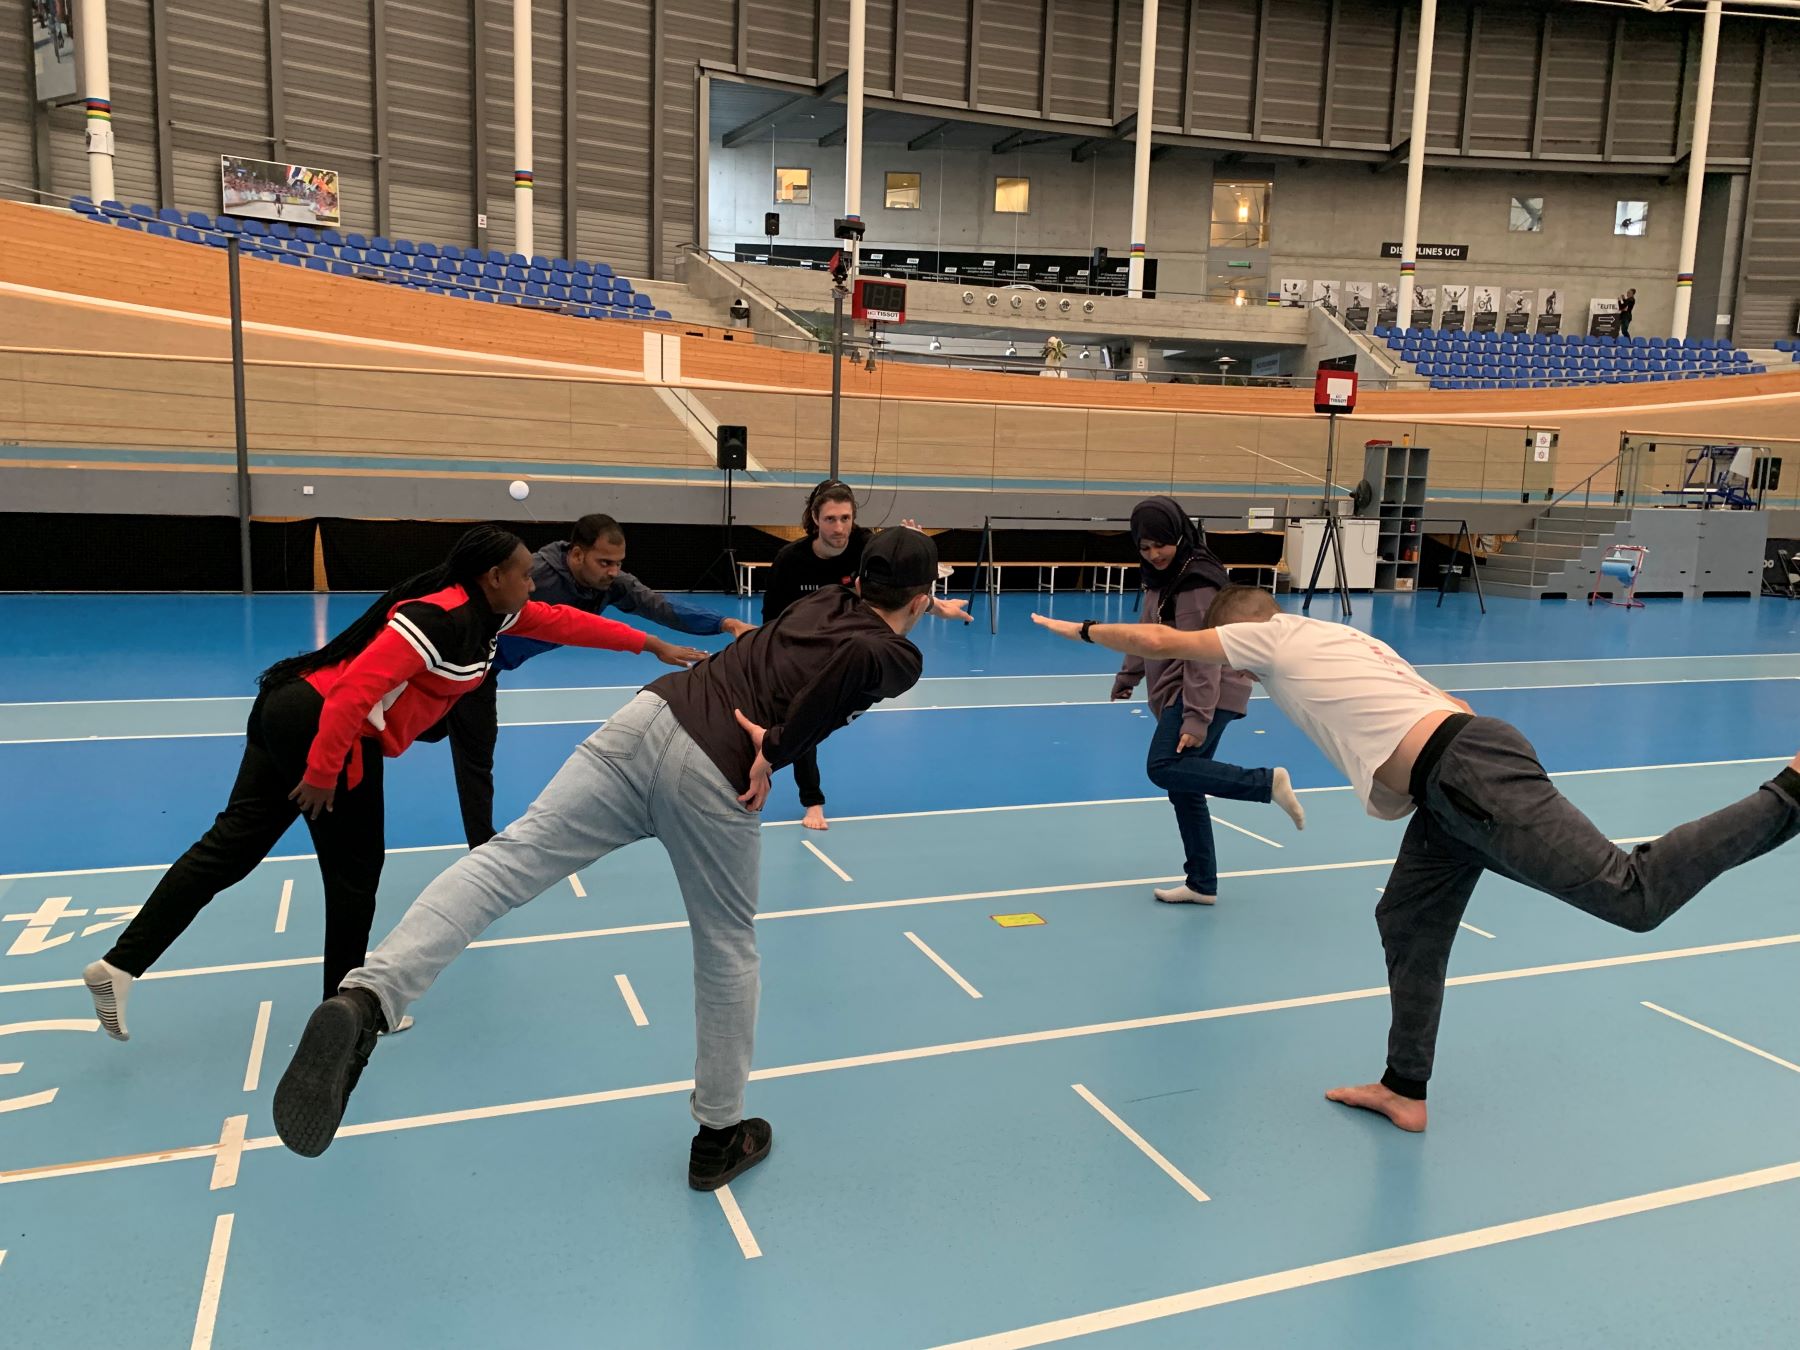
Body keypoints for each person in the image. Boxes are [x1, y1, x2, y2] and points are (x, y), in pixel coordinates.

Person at [271, 528, 954, 1190]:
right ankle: (718, 1135)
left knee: (506, 861)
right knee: (727, 950)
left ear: (858, 579)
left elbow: (828, 651)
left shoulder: (821, 601)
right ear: (921, 599)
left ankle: (367, 997)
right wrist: (773, 749)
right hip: (715, 769)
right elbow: (841, 683)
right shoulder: (894, 656)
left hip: (645, 720)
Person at [1035, 586, 1800, 1133]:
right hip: (1452, 785)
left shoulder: (1267, 637)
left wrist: (1081, 632)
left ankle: (1790, 791)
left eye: (1229, 656)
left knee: (1633, 896)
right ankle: (1405, 1088)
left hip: (1467, 780)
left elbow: (1168, 642)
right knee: (1406, 917)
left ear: (1241, 638)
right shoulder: (1344, 638)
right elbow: (1448, 704)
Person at [81, 526, 701, 1042]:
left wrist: (652, 646)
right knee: (355, 871)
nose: (531, 582)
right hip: (323, 726)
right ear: (492, 577)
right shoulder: (437, 617)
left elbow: (568, 624)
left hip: (294, 712)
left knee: (233, 848)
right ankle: (345, 1011)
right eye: (522, 573)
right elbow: (354, 691)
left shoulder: (492, 613)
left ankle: (119, 967)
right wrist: (323, 773)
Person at [443, 513, 740, 847]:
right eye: (604, 562)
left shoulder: (610, 584)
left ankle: (481, 848)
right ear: (576, 554)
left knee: (476, 759)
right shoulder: (536, 575)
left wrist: (726, 623)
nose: (613, 572)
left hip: (485, 675)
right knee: (424, 737)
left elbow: (657, 604)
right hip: (451, 663)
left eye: (618, 563)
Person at [1110, 499, 1303, 905]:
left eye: (1161, 545)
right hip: (1189, 690)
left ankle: (1267, 783)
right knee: (1184, 786)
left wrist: (1196, 719)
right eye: (1144, 548)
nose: (1153, 555)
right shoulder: (1163, 577)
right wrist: (1129, 674)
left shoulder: (1196, 582)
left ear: (1180, 536)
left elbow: (1203, 654)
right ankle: (1202, 884)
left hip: (1207, 692)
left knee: (1163, 766)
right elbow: (1148, 630)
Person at [761, 480, 968, 830]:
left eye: (845, 518)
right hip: (805, 648)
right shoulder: (790, 560)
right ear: (814, 518)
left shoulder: (865, 546)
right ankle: (811, 799)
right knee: (798, 720)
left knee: (815, 721)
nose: (839, 528)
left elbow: (898, 588)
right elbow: (771, 620)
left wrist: (931, 600)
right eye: (830, 519)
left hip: (852, 646)